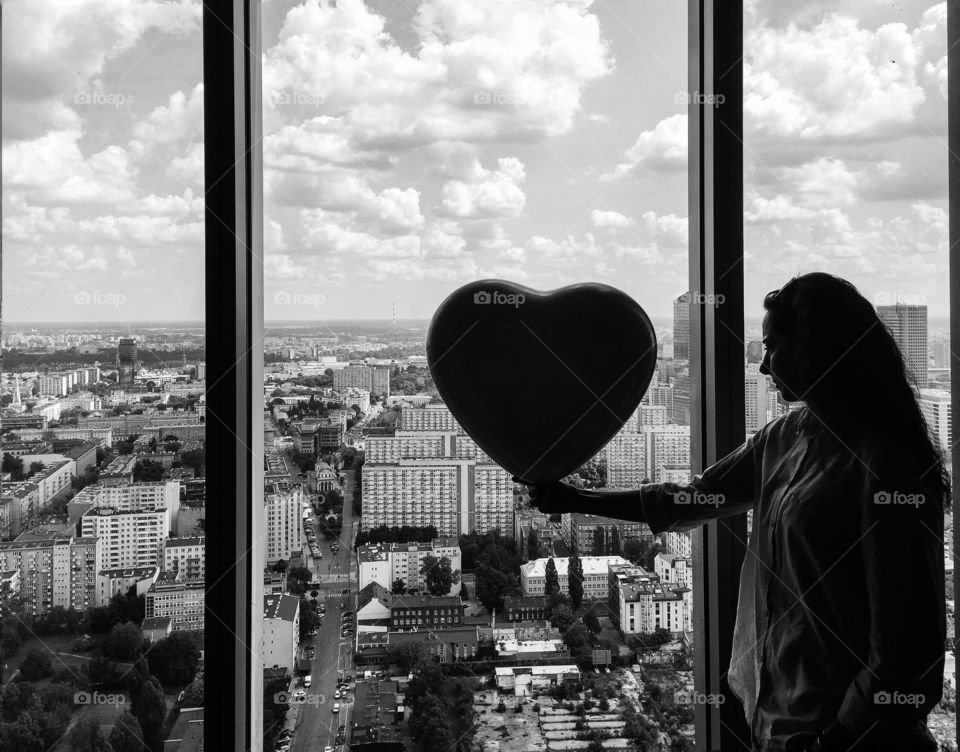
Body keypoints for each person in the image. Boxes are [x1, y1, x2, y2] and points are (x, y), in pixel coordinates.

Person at [518, 272, 948, 752]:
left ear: (815, 348)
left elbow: (910, 646)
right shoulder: (785, 438)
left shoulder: (885, 465)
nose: (763, 367)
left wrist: (838, 738)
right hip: (779, 720)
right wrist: (575, 499)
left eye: (772, 348)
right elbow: (693, 498)